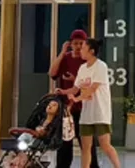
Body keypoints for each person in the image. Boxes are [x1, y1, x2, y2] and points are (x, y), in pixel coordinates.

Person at [70, 38, 120, 168]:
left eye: (83, 48)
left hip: (100, 112)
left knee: (105, 144)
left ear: (91, 51)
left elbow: (92, 89)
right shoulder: (82, 68)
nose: (80, 50)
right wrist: (62, 93)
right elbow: (75, 88)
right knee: (85, 147)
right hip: (87, 114)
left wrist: (77, 99)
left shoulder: (101, 66)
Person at [49, 29, 93, 168]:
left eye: (81, 43)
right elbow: (52, 73)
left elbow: (90, 84)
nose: (78, 46)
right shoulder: (66, 58)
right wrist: (62, 53)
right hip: (66, 108)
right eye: (75, 43)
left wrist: (75, 80)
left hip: (83, 107)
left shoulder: (88, 61)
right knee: (64, 143)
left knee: (87, 143)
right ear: (71, 44)